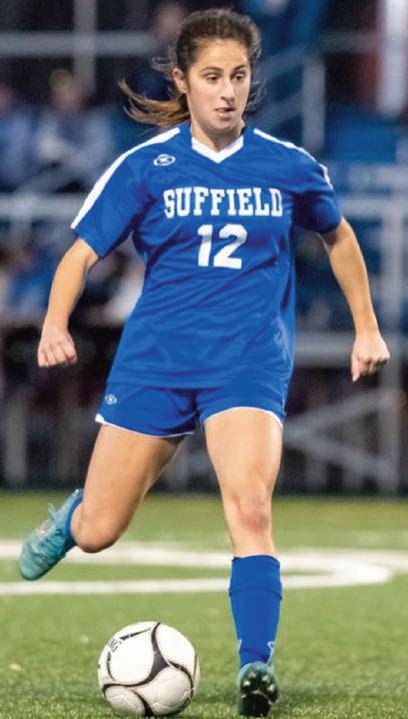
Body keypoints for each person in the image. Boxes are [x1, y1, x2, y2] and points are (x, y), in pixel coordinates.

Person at [19, 7, 390, 716]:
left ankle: (256, 666)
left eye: (239, 76)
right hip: (156, 361)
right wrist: (55, 323)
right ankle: (71, 519)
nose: (227, 91)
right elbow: (78, 254)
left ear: (252, 81)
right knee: (100, 530)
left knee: (250, 505)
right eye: (212, 76)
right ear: (182, 81)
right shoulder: (146, 165)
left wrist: (366, 328)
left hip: (247, 362)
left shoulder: (289, 166)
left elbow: (339, 237)